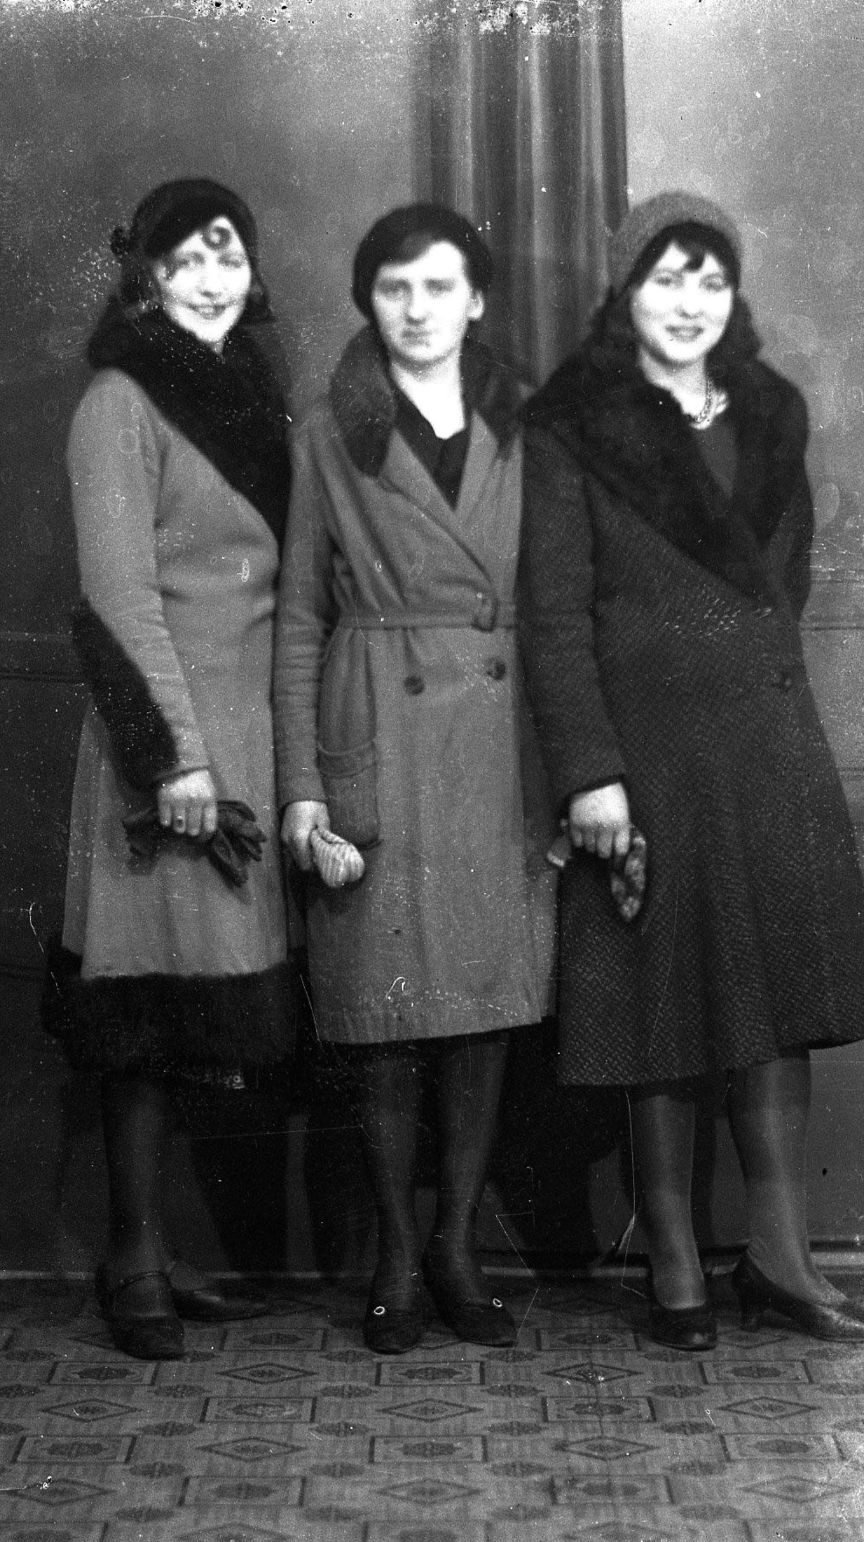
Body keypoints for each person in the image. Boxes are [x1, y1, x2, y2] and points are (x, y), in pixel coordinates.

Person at [519, 191, 864, 1351]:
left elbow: (789, 577)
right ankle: (674, 1261)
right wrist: (590, 772)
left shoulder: (772, 411)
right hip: (648, 758)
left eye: (709, 279)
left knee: (775, 1003)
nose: (687, 302)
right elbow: (553, 616)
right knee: (663, 1004)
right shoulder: (572, 426)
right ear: (624, 290)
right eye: (664, 277)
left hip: (766, 745)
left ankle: (780, 1261)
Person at [273, 203, 555, 1354]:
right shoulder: (326, 431)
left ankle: (455, 1245)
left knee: (481, 1011)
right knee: (384, 1014)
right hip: (376, 729)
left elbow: (556, 600)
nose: (417, 308)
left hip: (494, 743)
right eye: (394, 288)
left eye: (439, 285)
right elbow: (299, 616)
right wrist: (302, 786)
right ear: (368, 302)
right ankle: (396, 1251)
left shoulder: (528, 425)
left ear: (475, 299)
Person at [43, 179, 294, 1359]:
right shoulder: (117, 401)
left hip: (245, 735)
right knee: (141, 1013)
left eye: (226, 255)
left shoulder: (251, 393)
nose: (209, 278)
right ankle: (134, 1260)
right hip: (166, 748)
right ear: (143, 278)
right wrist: (174, 762)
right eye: (184, 259)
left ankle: (157, 1248)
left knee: (199, 1007)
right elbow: (117, 598)